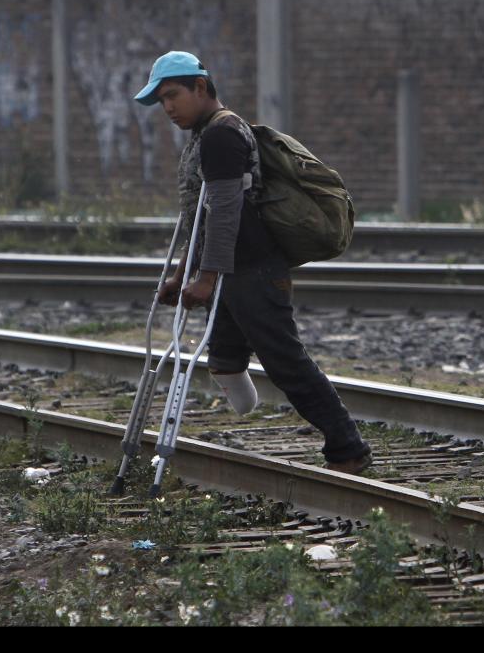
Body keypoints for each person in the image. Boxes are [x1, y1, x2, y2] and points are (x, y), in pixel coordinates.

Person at [134, 50, 373, 474]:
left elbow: (225, 211)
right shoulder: (204, 133)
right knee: (224, 361)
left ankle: (347, 448)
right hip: (229, 270)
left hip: (251, 270)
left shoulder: (222, 135)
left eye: (173, 96)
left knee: (286, 361)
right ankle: (245, 427)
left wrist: (205, 279)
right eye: (161, 102)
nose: (168, 108)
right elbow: (200, 218)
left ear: (201, 88)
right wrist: (181, 273)